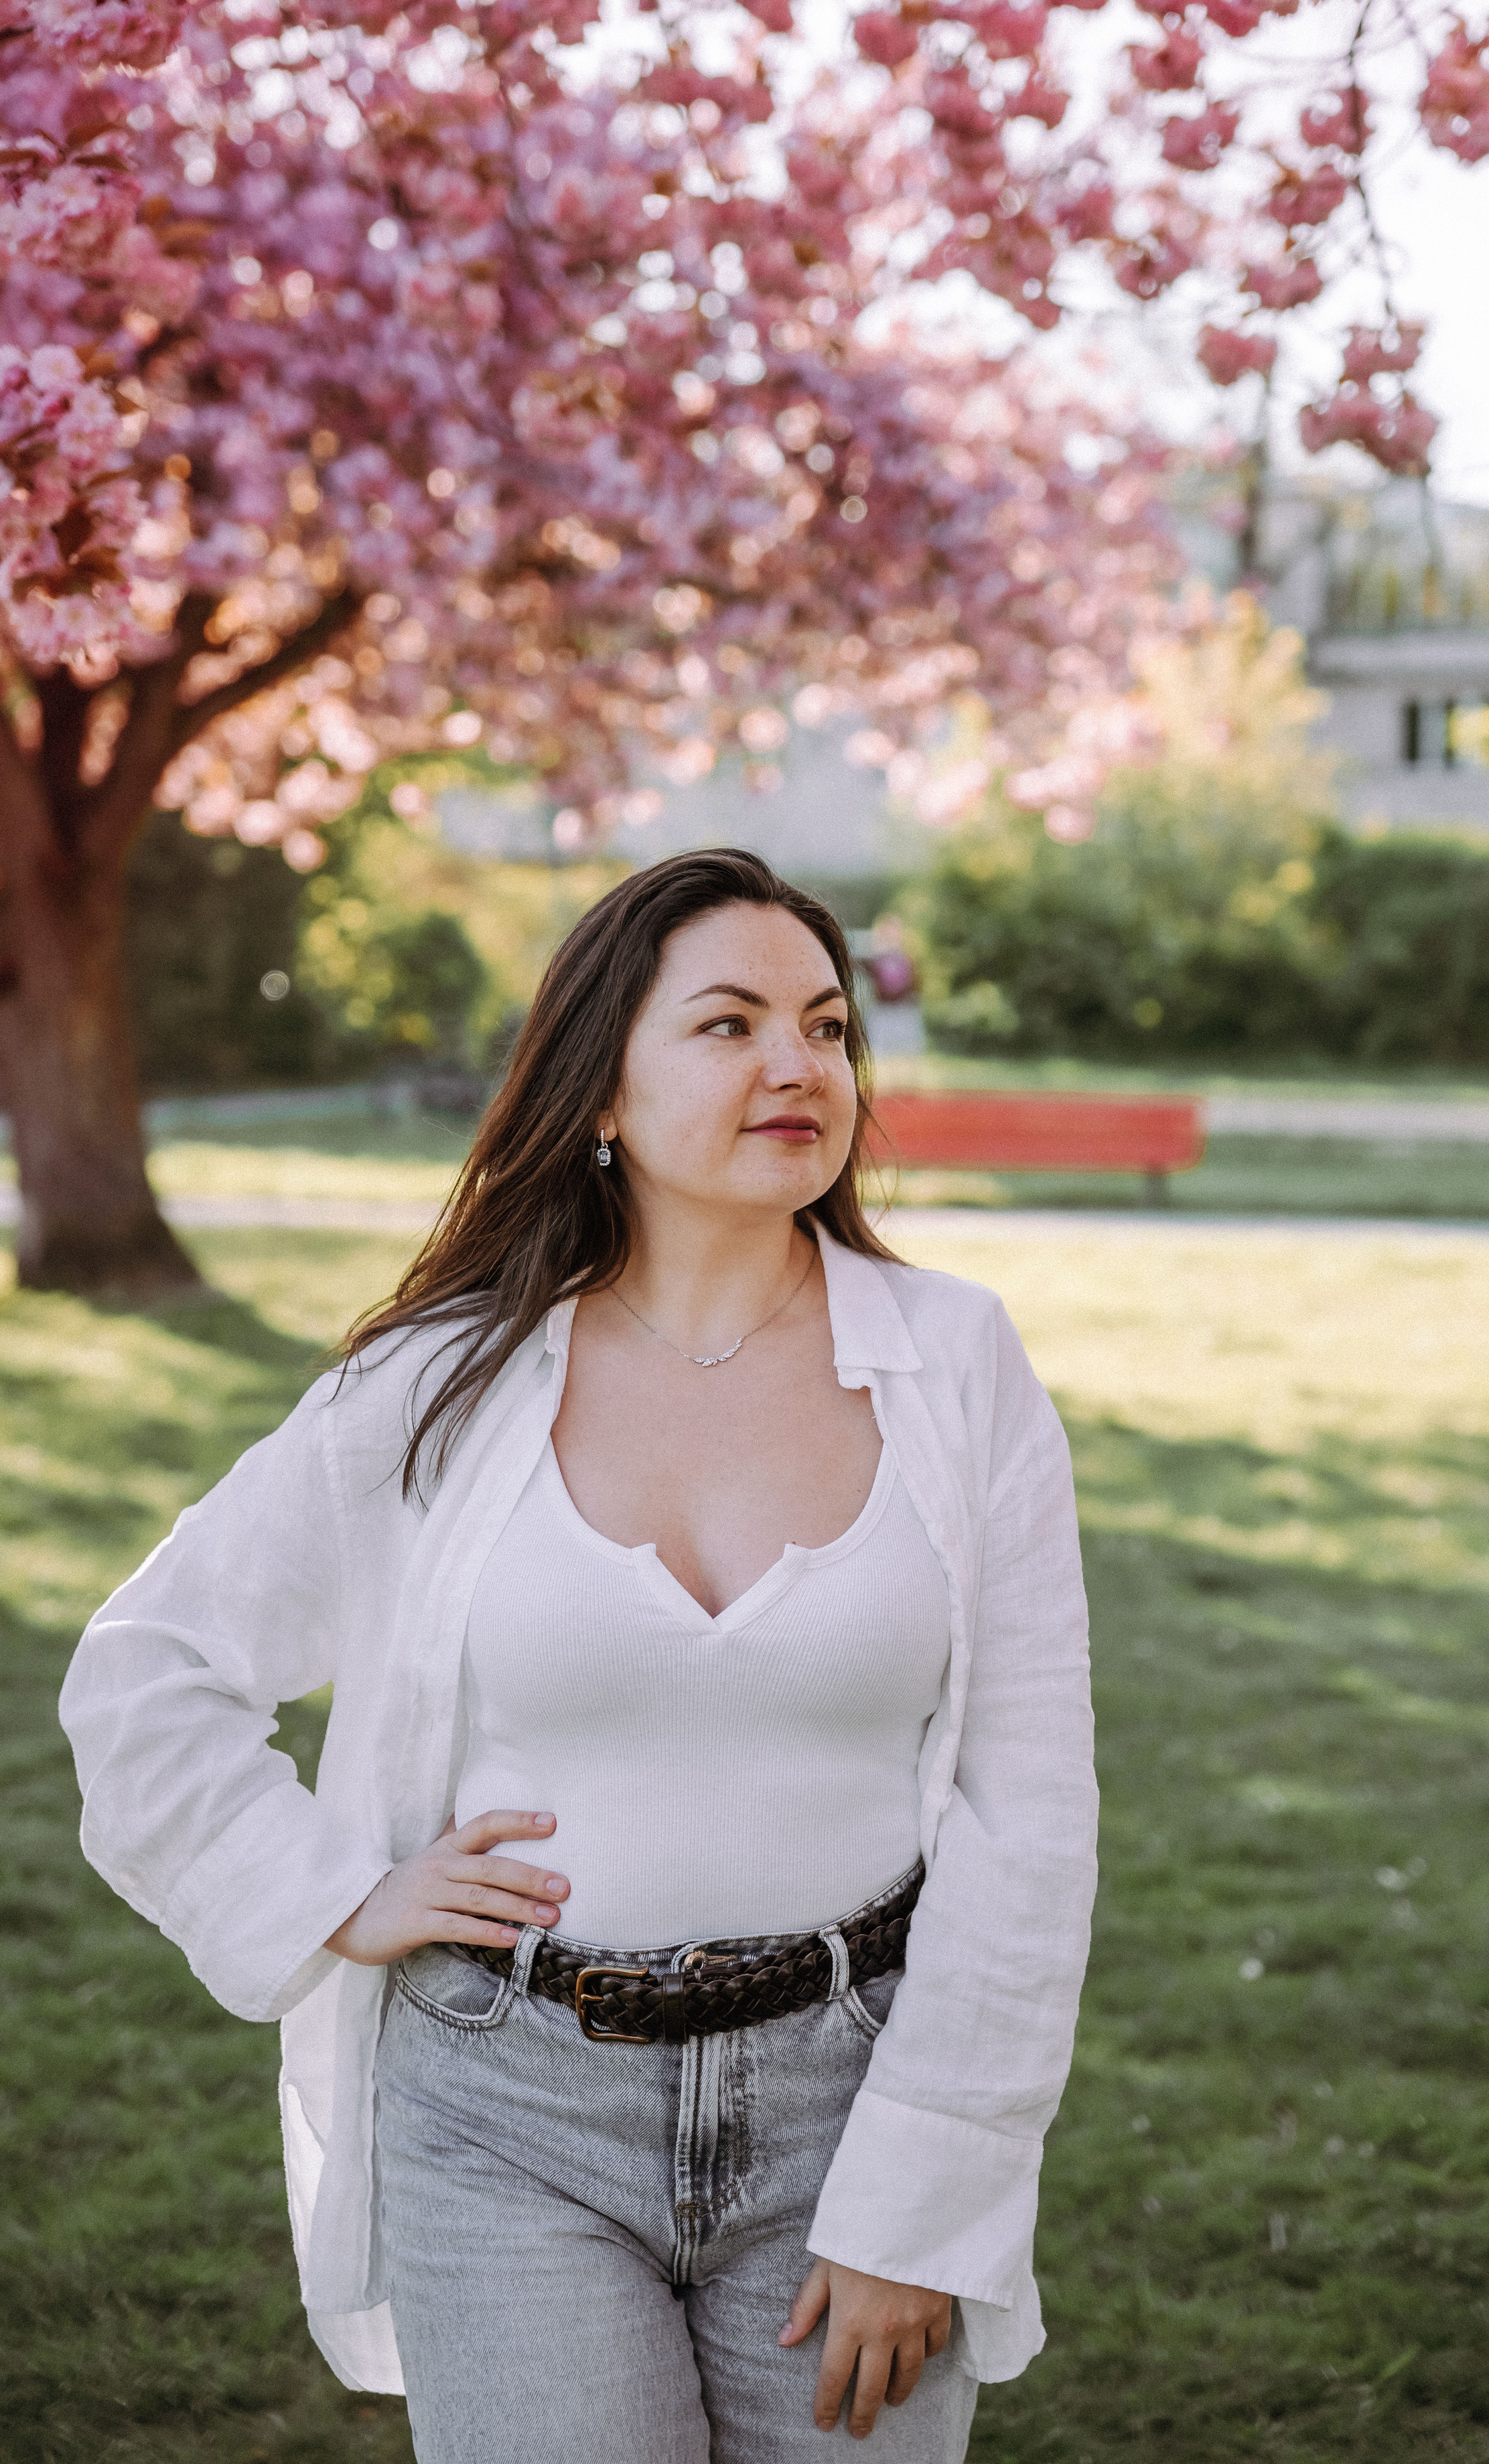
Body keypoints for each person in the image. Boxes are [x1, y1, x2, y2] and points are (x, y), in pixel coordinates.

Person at [60, 848, 1098, 2463]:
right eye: (730, 1024)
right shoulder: (437, 1383)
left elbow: (1030, 1809)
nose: (796, 1066)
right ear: (598, 1087)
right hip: (503, 2110)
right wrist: (337, 1893)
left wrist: (928, 2192)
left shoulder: (956, 1364)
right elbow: (148, 1669)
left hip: (852, 2099)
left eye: (826, 1028)